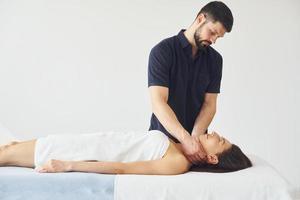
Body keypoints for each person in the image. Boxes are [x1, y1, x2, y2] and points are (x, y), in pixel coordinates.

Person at [148, 1, 234, 164]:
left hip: (197, 150)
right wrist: (185, 139)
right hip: (161, 144)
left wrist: (194, 139)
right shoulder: (163, 51)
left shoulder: (215, 60)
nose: (214, 40)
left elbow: (210, 104)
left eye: (219, 37)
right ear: (200, 19)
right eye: (212, 32)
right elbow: (158, 102)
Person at [0, 130, 252, 174]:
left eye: (220, 141)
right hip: (88, 140)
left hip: (77, 151)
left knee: (6, 154)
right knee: (8, 147)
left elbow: (122, 168)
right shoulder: (178, 145)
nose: (216, 134)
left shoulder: (177, 163)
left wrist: (68, 165)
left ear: (212, 157)